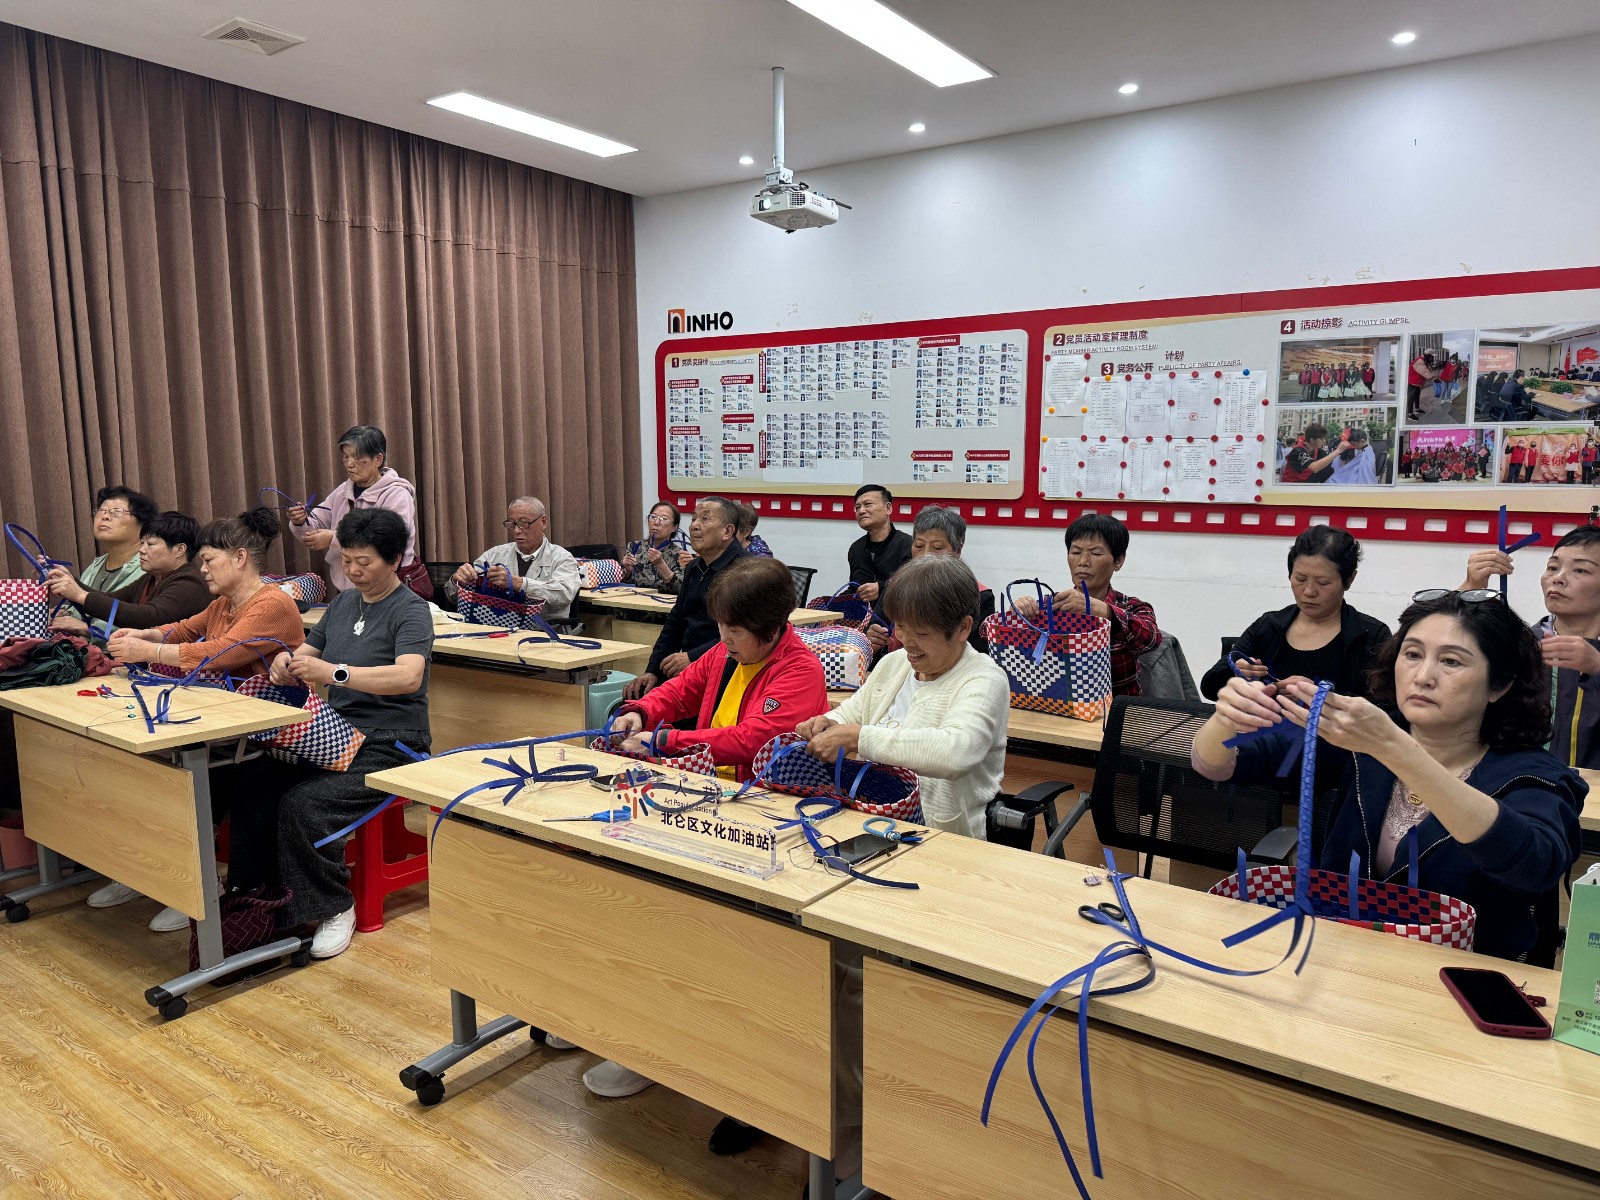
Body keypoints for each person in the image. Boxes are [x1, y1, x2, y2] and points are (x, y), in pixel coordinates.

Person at [1193, 591, 1583, 964]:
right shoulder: (1362, 737)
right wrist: (1227, 718)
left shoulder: (1534, 775)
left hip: (1462, 982)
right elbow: (1218, 764)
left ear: (1500, 685)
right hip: (1337, 961)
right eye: (1412, 654)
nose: (1423, 676)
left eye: (1451, 662)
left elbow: (1535, 863)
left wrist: (1396, 749)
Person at [223, 509, 434, 960]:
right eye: (347, 560)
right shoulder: (342, 604)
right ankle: (256, 901)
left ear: (395, 560)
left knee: (306, 804)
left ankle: (333, 905)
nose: (353, 570)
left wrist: (334, 673)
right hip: (335, 735)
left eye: (365, 562)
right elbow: (306, 652)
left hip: (391, 743)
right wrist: (286, 664)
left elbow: (408, 677)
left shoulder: (411, 610)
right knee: (253, 788)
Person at [93, 508, 306, 930]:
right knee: (150, 770)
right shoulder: (225, 603)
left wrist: (148, 651)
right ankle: (151, 872)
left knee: (190, 777)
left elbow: (219, 653)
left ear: (240, 558)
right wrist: (145, 635)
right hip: (230, 725)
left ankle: (197, 886)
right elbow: (185, 629)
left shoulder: (272, 604)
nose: (202, 568)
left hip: (273, 735)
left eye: (209, 560)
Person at [799, 554, 1008, 839]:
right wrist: (827, 723)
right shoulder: (894, 663)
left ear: (962, 628)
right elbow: (852, 713)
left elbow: (955, 752)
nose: (906, 641)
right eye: (900, 626)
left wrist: (858, 738)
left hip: (941, 837)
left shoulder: (984, 679)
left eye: (921, 633)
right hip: (868, 824)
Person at [604, 557, 826, 780]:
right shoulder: (724, 652)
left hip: (765, 792)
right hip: (714, 781)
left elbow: (752, 741)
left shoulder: (801, 670)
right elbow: (679, 691)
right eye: (721, 624)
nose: (724, 638)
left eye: (735, 631)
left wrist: (663, 741)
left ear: (770, 629)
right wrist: (641, 712)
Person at [1200, 525, 1390, 701]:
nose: (1309, 591)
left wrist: (1322, 697)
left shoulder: (1371, 636)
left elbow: (1387, 708)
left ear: (1349, 579)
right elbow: (1209, 687)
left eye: (1323, 583)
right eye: (1300, 579)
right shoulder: (1268, 627)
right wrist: (1235, 674)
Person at [1464, 525, 1600, 769]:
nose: (1558, 578)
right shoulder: (1521, 645)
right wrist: (1470, 589)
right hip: (1523, 783)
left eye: (1580, 570)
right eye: (1552, 567)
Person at [1014, 514, 1162, 696]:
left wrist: (1105, 612)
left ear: (1118, 561)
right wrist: (1017, 615)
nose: (1083, 562)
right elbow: (988, 637)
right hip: (1058, 703)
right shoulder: (1053, 605)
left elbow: (1152, 640)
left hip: (1118, 707)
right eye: (1076, 552)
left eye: (1096, 553)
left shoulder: (1131, 607)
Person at [623, 496, 746, 701]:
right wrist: (653, 670)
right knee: (637, 697)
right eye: (694, 519)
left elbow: (742, 635)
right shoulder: (694, 568)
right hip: (690, 669)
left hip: (730, 670)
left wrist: (693, 657)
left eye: (704, 519)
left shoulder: (745, 571)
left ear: (727, 531)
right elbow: (675, 623)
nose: (695, 526)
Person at [288, 424, 426, 597]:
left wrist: (333, 538)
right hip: (350, 588)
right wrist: (301, 521)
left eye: (357, 457)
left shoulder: (397, 494)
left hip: (387, 589)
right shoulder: (342, 492)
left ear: (378, 459)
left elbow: (388, 540)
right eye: (346, 457)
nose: (349, 464)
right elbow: (315, 525)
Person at [45, 511, 209, 635]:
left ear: (180, 549)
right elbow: (111, 599)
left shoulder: (189, 583)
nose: (141, 550)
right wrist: (68, 579)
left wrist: (80, 595)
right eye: (142, 543)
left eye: (150, 544)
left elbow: (147, 618)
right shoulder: (151, 578)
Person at [864, 505, 995, 657]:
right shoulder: (895, 586)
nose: (925, 554)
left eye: (937, 547)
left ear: (957, 550)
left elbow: (979, 655)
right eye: (919, 545)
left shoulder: (978, 597)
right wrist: (872, 640)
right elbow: (874, 630)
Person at [448, 497, 580, 619]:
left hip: (541, 631)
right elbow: (455, 599)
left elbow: (564, 594)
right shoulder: (494, 554)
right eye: (512, 524)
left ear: (543, 522)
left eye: (523, 523)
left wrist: (519, 584)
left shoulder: (562, 557)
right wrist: (457, 581)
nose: (516, 530)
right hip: (495, 629)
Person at [59, 487, 158, 618]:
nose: (105, 516)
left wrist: (88, 628)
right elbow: (79, 607)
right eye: (101, 510)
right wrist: (63, 613)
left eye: (117, 512)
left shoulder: (150, 568)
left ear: (143, 524)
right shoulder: (95, 566)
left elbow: (145, 619)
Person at [846, 484, 912, 603]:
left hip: (897, 612)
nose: (861, 511)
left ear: (888, 508)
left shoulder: (908, 546)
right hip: (862, 613)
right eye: (857, 507)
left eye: (868, 504)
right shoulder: (856, 548)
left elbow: (914, 588)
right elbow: (854, 589)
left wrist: (882, 589)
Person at [619, 502, 687, 593]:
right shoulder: (634, 546)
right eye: (653, 517)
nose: (656, 522)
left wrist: (661, 565)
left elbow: (680, 589)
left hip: (663, 601)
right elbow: (621, 584)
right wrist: (628, 572)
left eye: (664, 519)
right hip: (635, 599)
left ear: (674, 527)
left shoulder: (679, 554)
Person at [1406, 350, 1438, 420]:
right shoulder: (1419, 362)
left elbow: (1429, 370)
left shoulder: (1424, 361)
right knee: (1411, 398)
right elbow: (1425, 372)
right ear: (1428, 355)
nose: (1432, 358)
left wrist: (1434, 378)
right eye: (1431, 357)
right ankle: (1410, 414)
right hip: (1413, 382)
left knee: (1417, 396)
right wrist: (1434, 379)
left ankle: (1417, 409)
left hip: (1417, 382)